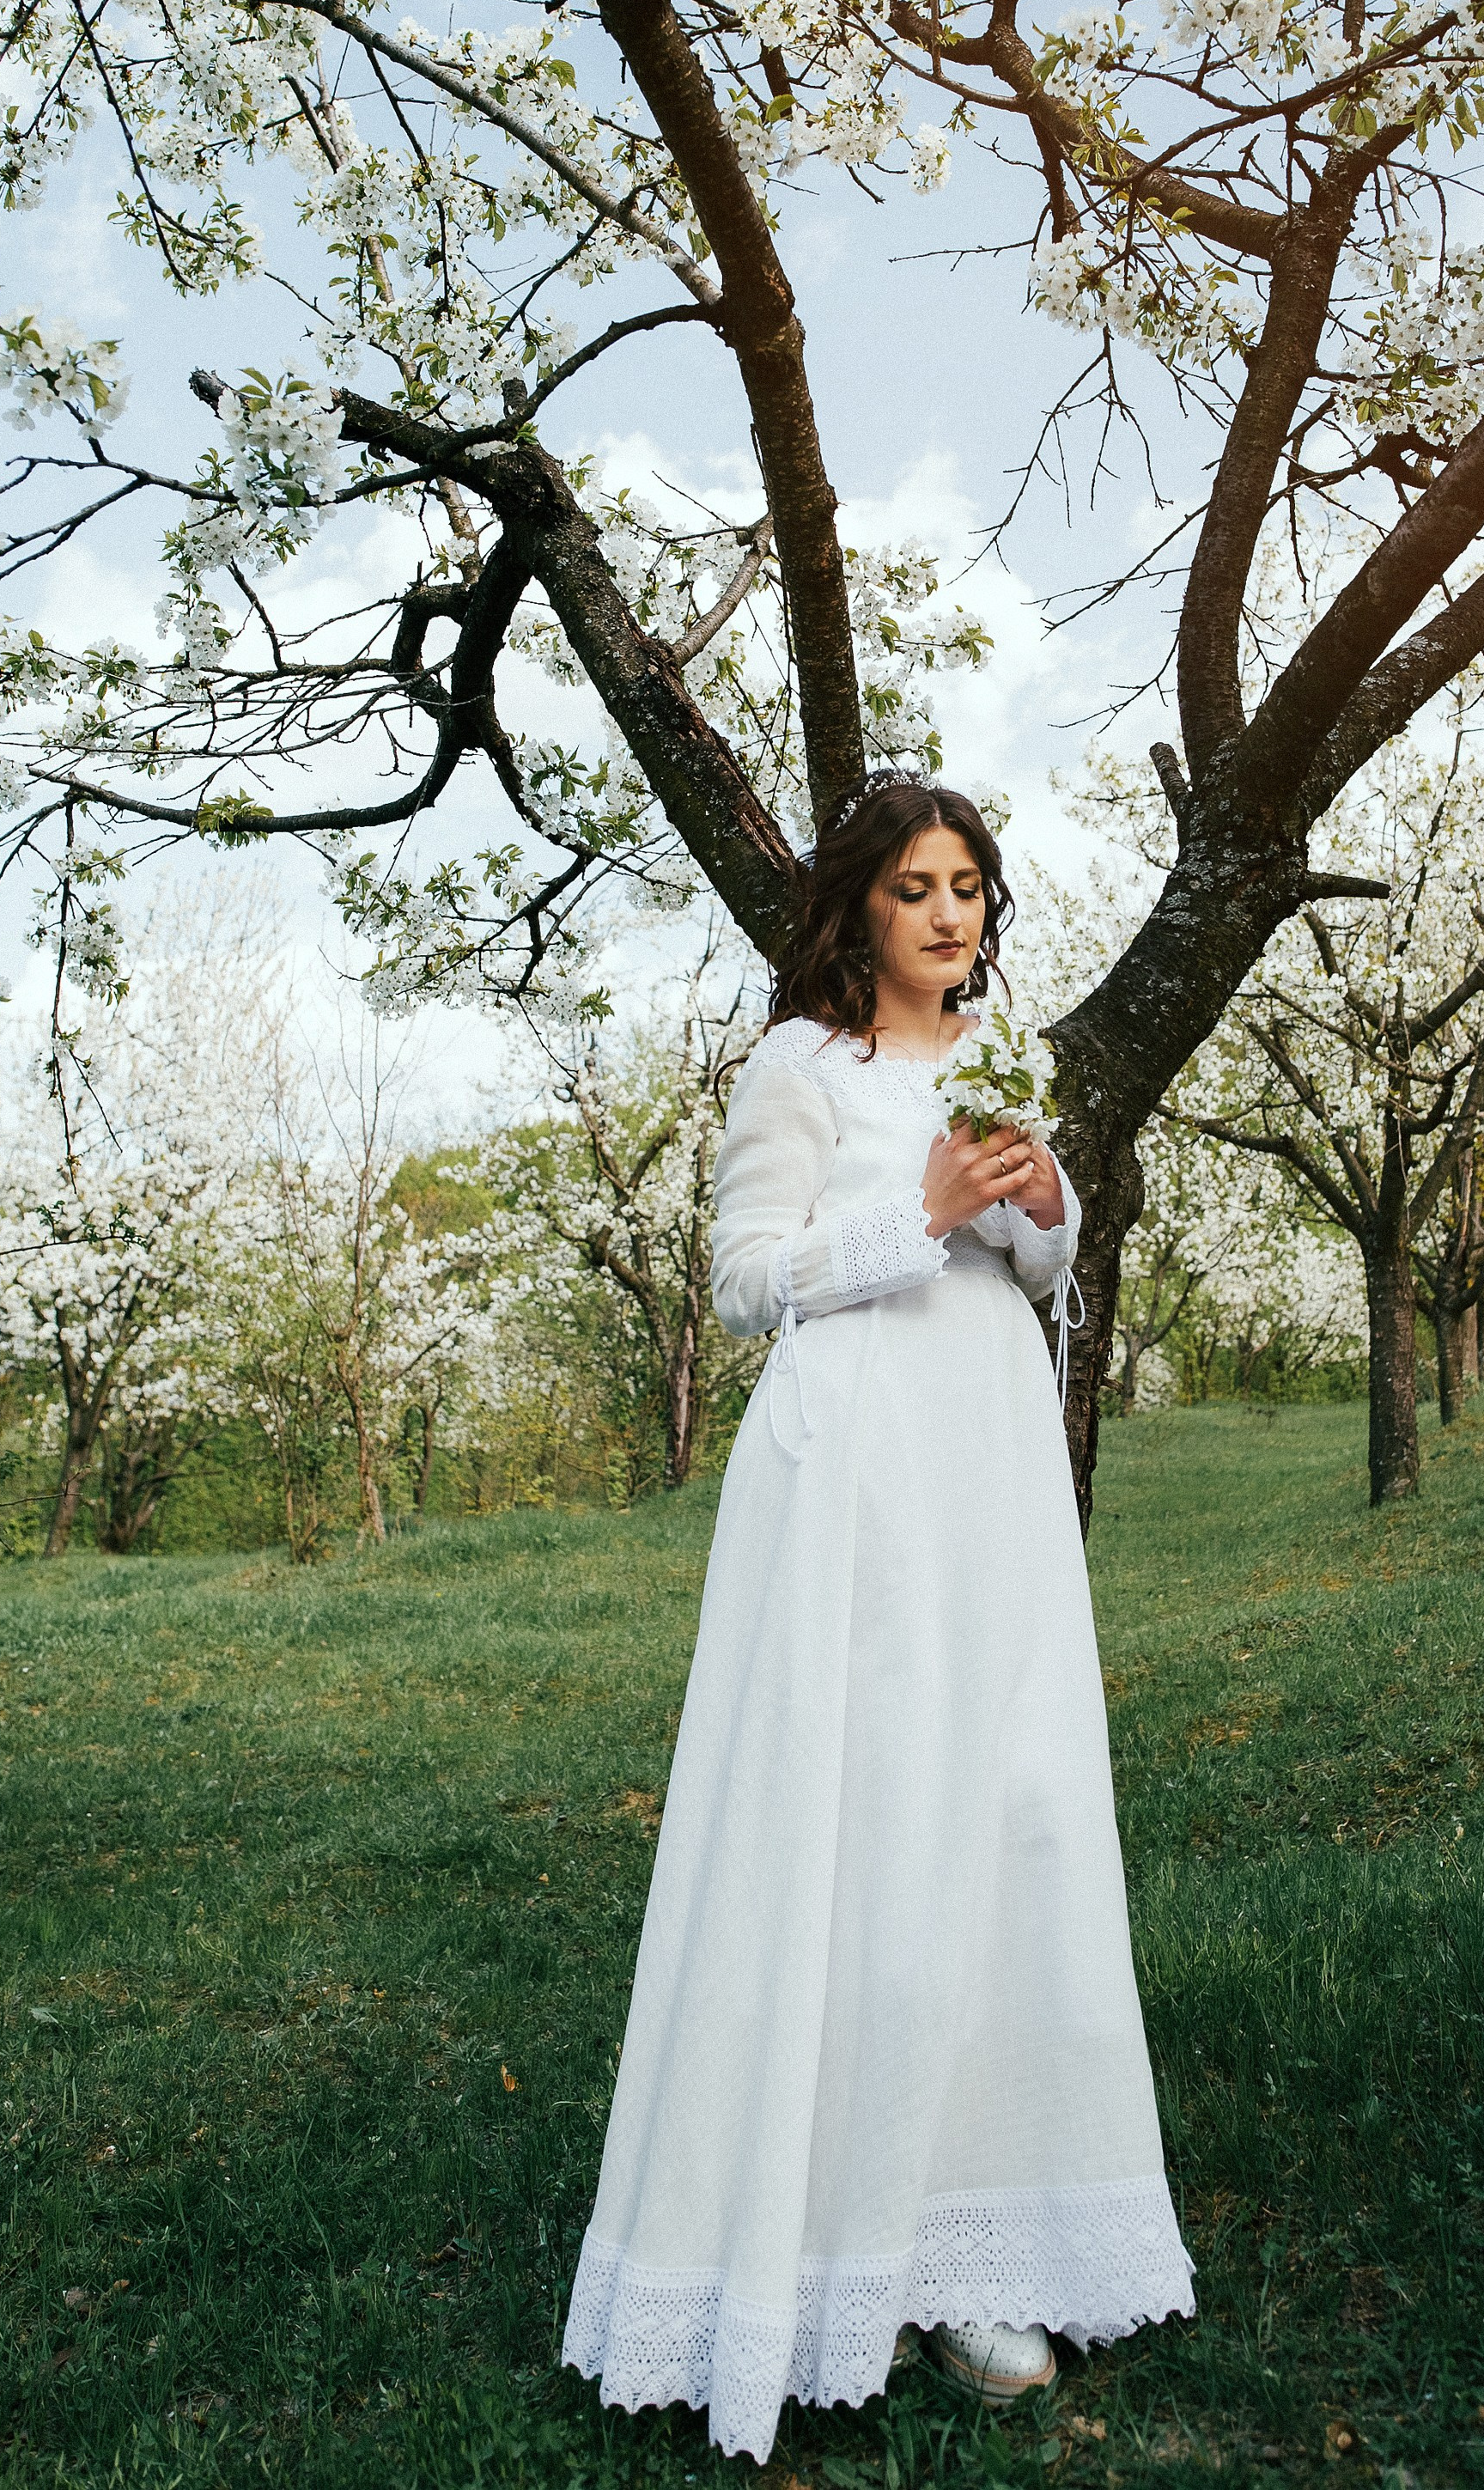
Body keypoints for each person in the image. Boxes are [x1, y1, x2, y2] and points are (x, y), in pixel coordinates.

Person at [562, 774, 1192, 2460]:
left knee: (1006, 1812)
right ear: (857, 907)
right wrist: (918, 1206)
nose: (945, 914)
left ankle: (985, 2233)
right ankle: (816, 2245)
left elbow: (1036, 1277)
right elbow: (744, 1280)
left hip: (989, 1468)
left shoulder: (1003, 1061)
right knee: (857, 1817)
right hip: (852, 1481)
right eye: (914, 887)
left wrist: (1041, 1213)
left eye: (967, 886)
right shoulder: (799, 1065)